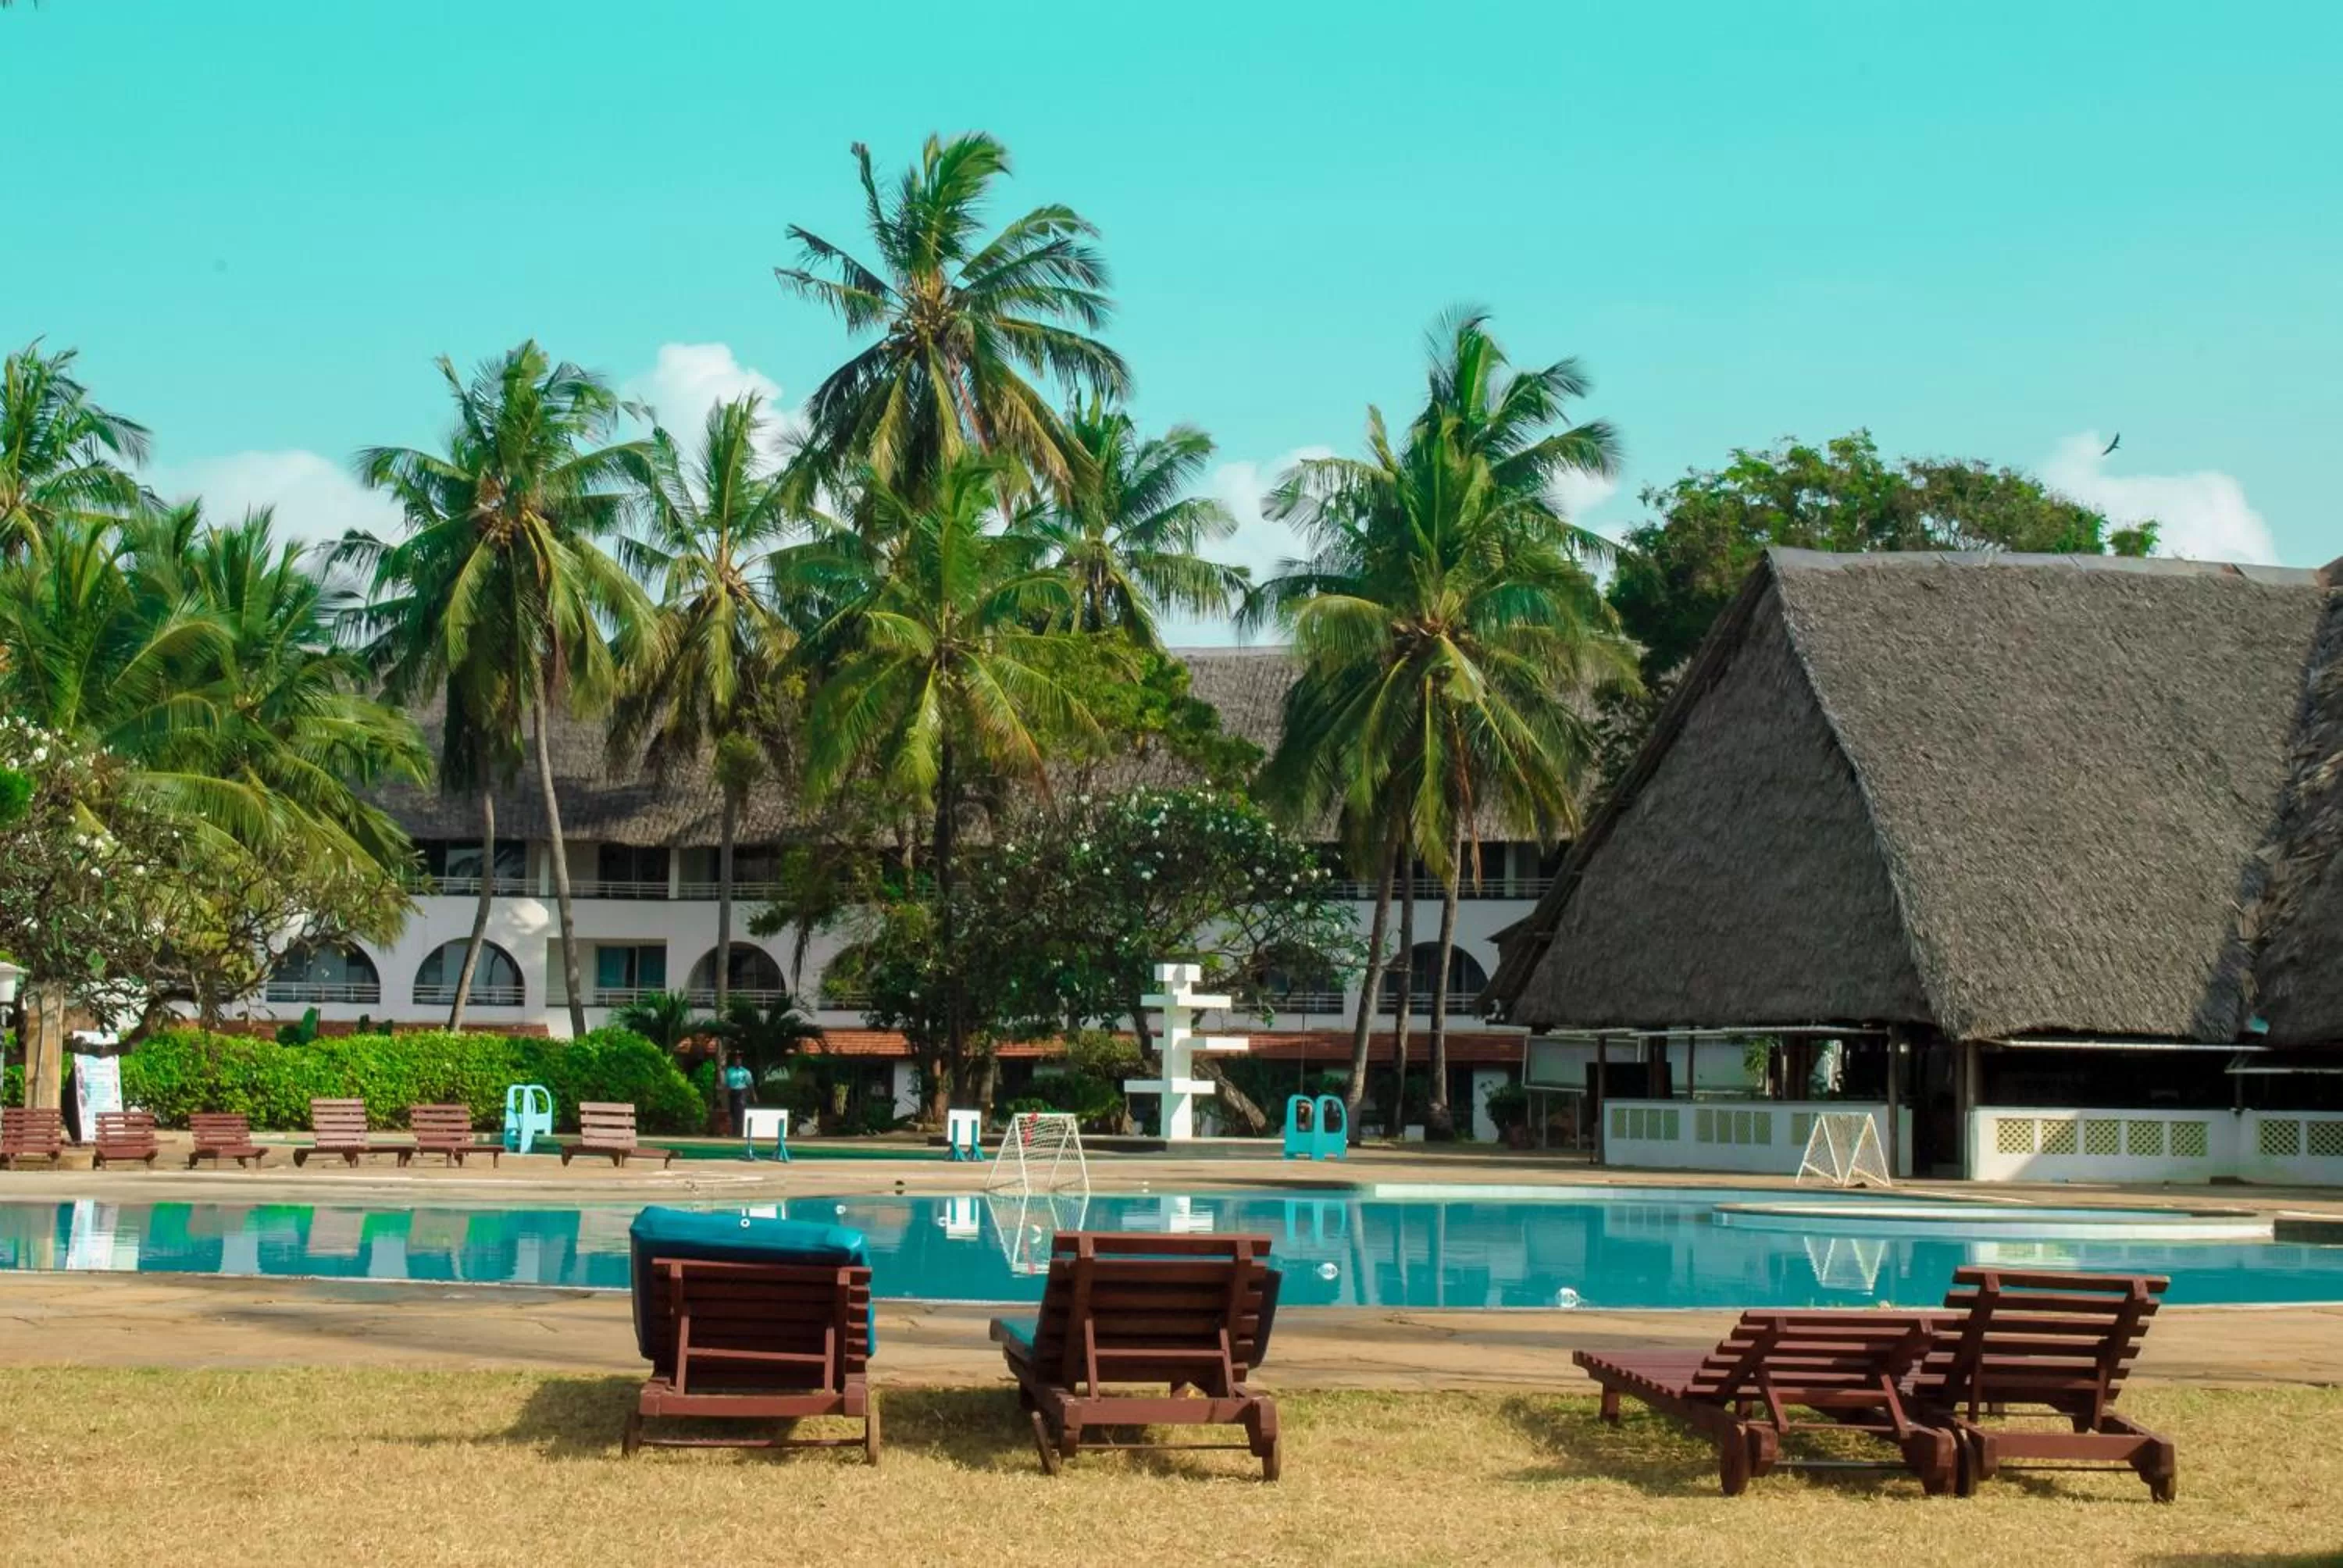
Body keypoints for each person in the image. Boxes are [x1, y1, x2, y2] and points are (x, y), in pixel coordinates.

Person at [722, 1052, 754, 1137]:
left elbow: (750, 1083)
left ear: (741, 1062)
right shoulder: (729, 1071)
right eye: (736, 1061)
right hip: (732, 1092)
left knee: (740, 1112)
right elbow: (727, 1083)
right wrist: (725, 1094)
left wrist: (753, 1095)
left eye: (739, 1061)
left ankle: (739, 1132)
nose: (737, 1062)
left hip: (741, 1092)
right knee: (733, 1112)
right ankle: (734, 1131)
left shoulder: (745, 1072)